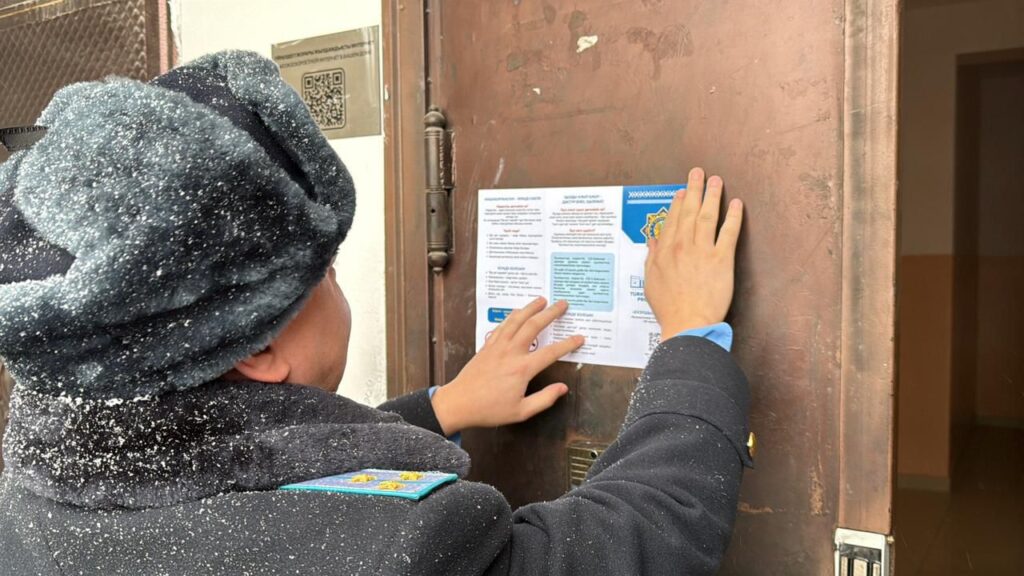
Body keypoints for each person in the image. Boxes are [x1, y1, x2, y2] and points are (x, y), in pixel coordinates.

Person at [0, 50, 752, 575]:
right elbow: (635, 541)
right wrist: (690, 336)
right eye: (324, 274)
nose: (337, 287)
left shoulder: (37, 495)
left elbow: (248, 471)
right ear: (257, 350)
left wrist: (441, 408)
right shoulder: (401, 547)